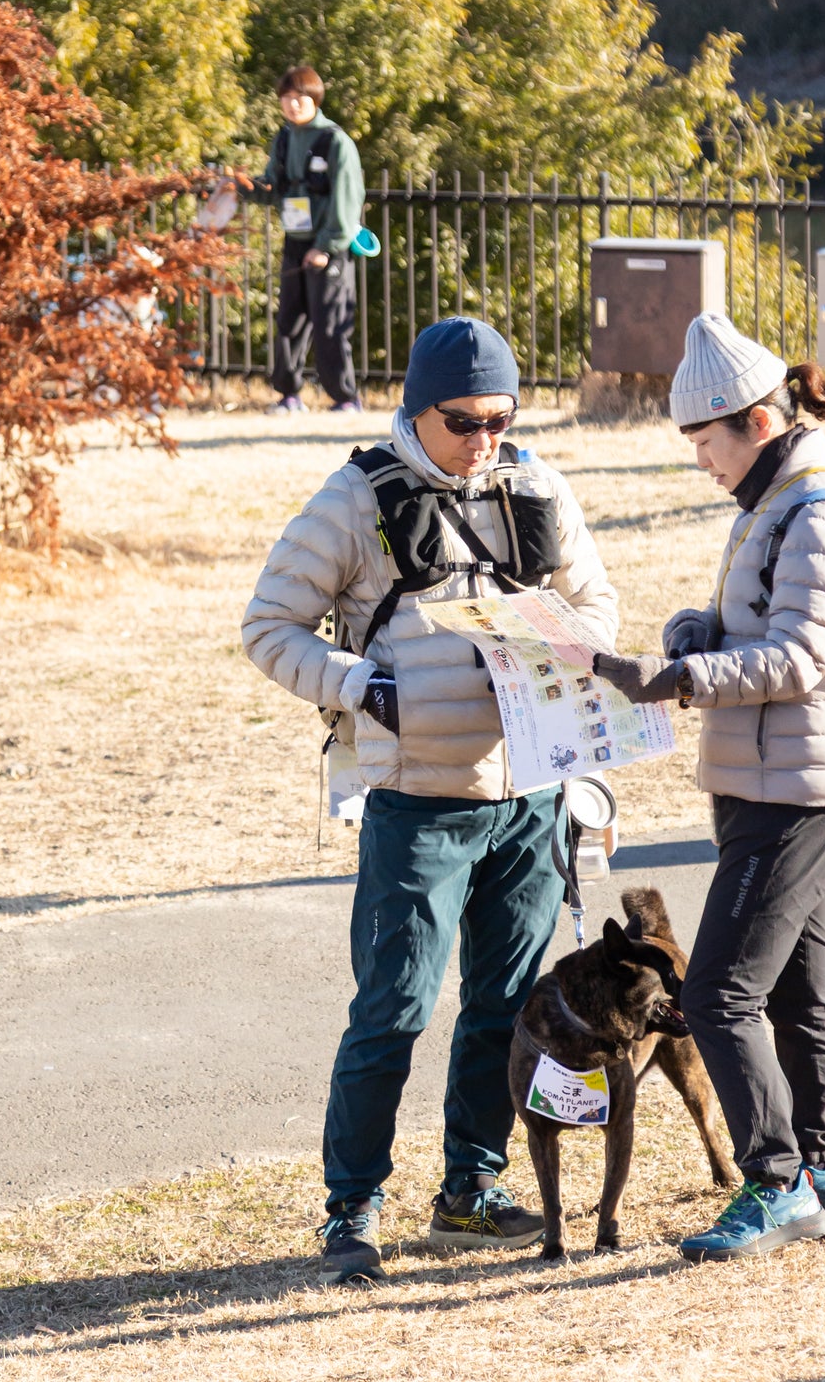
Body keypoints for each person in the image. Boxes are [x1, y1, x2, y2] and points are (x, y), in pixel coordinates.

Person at [242, 317, 619, 1284]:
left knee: (502, 1005)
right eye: (464, 421)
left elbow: (598, 604)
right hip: (417, 800)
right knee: (394, 1009)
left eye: (501, 417)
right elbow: (269, 624)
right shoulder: (355, 500)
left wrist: (557, 647)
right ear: (417, 408)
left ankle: (470, 1187)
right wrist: (360, 686)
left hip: (528, 792)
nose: (485, 438)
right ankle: (352, 1208)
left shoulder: (536, 486)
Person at [592, 312, 825, 1264]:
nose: (699, 463)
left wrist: (676, 679)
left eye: (703, 442)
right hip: (780, 777)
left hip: (798, 789)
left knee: (714, 993)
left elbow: (801, 658)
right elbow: (770, 630)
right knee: (797, 984)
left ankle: (776, 1183)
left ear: (756, 421)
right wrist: (697, 631)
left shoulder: (819, 513)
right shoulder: (774, 507)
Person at [249, 65, 366, 414]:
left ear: (314, 98)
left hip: (329, 244)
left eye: (299, 97)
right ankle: (288, 395)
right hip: (295, 239)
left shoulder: (335, 141)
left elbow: (348, 199)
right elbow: (273, 187)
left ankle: (345, 398)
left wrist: (326, 246)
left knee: (330, 322)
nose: (292, 104)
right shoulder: (284, 138)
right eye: (286, 97)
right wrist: (241, 187)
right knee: (289, 321)